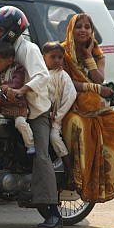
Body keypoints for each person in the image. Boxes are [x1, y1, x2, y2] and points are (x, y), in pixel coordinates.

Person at [0, 6, 62, 228]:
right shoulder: (6, 49)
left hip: (36, 111)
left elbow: (42, 75)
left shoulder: (28, 48)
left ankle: (54, 213)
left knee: (41, 156)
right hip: (13, 107)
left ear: (10, 29)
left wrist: (22, 90)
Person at [61, 13, 114, 203]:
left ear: (91, 31)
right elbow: (67, 82)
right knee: (81, 125)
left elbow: (99, 78)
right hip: (69, 104)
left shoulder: (96, 53)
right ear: (72, 29)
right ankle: (78, 177)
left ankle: (103, 179)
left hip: (93, 106)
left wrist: (88, 57)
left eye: (87, 27)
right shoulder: (63, 52)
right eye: (79, 26)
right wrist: (93, 88)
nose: (83, 30)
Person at [0, 41, 35, 155]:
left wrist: (5, 88)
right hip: (1, 107)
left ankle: (30, 145)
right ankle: (0, 149)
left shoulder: (17, 69)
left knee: (20, 123)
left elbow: (15, 84)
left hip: (15, 106)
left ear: (9, 61)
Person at [42, 41, 76, 189]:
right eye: (52, 57)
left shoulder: (63, 76)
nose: (56, 60)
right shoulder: (40, 74)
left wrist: (56, 117)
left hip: (55, 117)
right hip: (40, 115)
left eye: (60, 57)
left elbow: (69, 98)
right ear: (43, 57)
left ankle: (69, 171)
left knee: (54, 138)